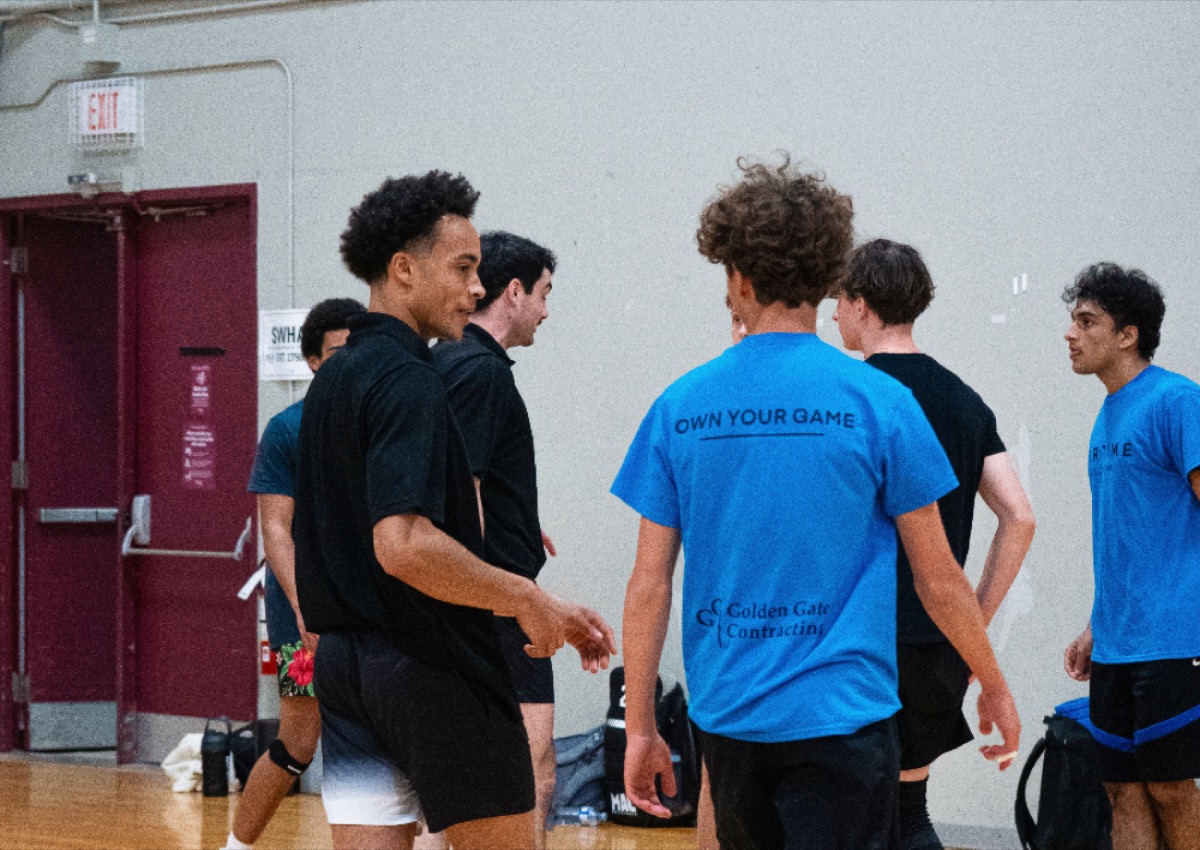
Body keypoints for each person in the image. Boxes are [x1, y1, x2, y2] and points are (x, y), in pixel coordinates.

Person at [612, 156, 1020, 849]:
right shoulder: (882, 404)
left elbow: (650, 583)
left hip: (729, 719)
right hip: (845, 720)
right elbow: (939, 577)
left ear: (736, 277)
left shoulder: (680, 407)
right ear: (829, 279)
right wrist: (993, 681)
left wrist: (643, 726)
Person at [292, 171, 615, 850]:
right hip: (429, 665)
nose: (478, 286)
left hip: (346, 672)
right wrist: (524, 596)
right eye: (464, 268)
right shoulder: (411, 379)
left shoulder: (333, 380)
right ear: (404, 270)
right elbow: (402, 544)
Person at [832, 239, 1036, 850]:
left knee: (852, 819)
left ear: (861, 304)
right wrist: (971, 621)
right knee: (909, 809)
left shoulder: (849, 396)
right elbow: (1019, 517)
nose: (833, 314)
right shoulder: (962, 397)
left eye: (838, 301)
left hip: (855, 639)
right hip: (936, 641)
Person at [1060, 262, 1200, 850]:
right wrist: (1097, 623)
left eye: (1086, 321)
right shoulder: (1107, 414)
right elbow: (1125, 535)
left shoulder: (1177, 400)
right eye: (1072, 320)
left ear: (1128, 334)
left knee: (1171, 787)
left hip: (1175, 638)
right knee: (1123, 790)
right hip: (1117, 642)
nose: (1071, 333)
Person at [430, 230, 559, 850]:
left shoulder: (445, 361)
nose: (545, 310)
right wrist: (492, 586)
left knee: (455, 781)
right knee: (531, 762)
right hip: (495, 602)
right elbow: (465, 490)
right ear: (514, 292)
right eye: (543, 294)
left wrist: (518, 517)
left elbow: (446, 478)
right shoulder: (482, 374)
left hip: (473, 593)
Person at [226, 296, 365, 850]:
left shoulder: (382, 419)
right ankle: (235, 847)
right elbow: (276, 531)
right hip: (301, 615)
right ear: (311, 360)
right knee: (299, 740)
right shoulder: (286, 431)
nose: (348, 362)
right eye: (336, 353)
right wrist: (308, 609)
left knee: (385, 740)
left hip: (372, 613)